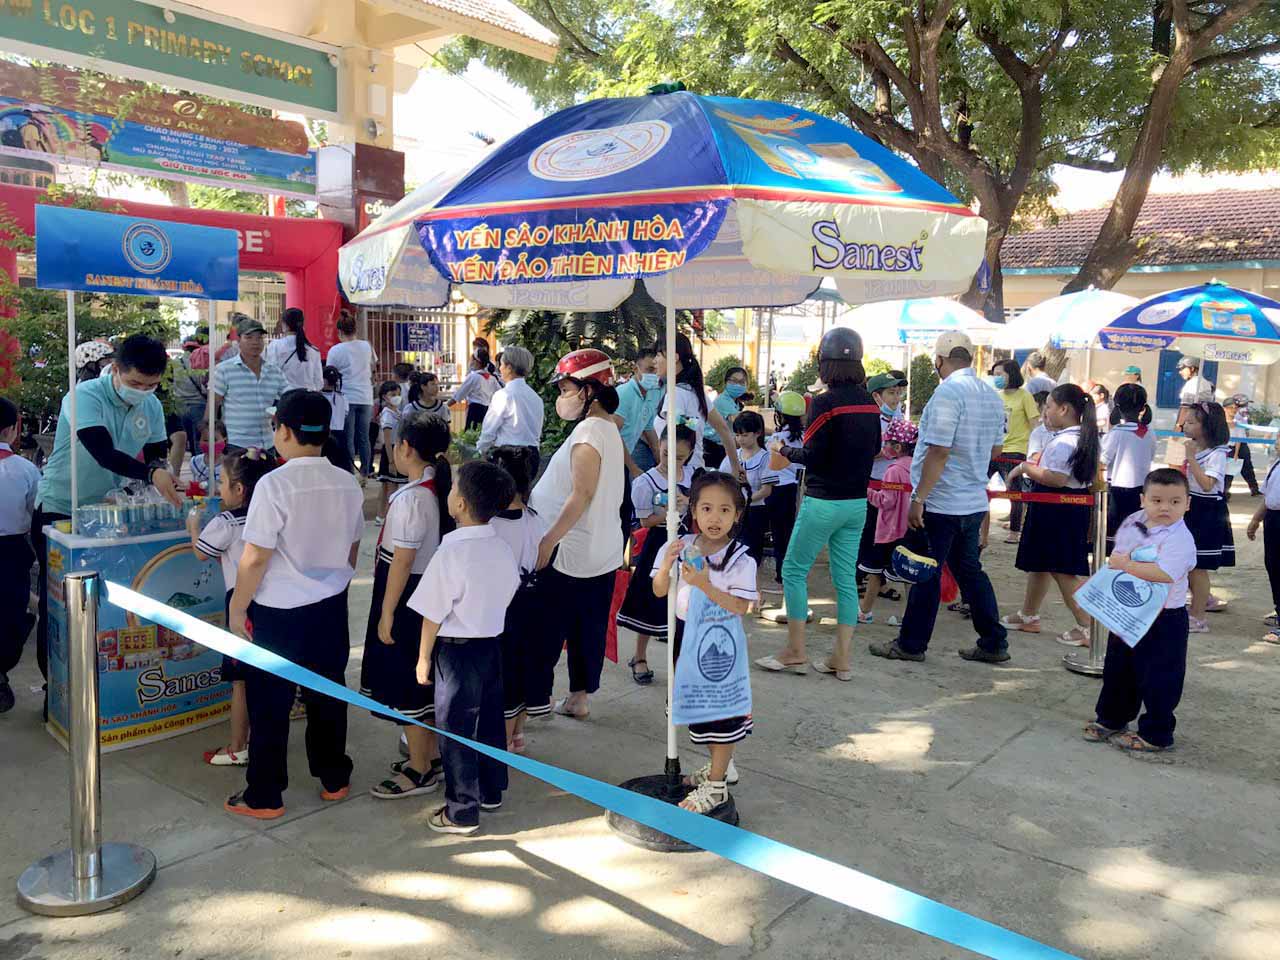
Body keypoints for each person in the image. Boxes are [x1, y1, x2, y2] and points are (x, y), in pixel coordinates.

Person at [224, 390, 365, 819]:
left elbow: (255, 556)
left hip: (278, 612)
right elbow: (353, 547)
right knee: (328, 693)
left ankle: (265, 795)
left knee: (270, 703)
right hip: (330, 606)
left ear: (284, 430)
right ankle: (334, 777)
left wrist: (237, 608)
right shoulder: (347, 481)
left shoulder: (274, 484)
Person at [34, 334, 182, 701]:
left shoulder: (151, 405)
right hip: (61, 508)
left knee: (108, 601)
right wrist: (152, 474)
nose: (142, 391)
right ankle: (57, 690)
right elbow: (103, 452)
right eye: (135, 383)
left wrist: (162, 472)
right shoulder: (84, 396)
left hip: (109, 512)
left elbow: (156, 453)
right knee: (62, 603)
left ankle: (104, 683)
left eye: (150, 385)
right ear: (115, 369)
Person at [868, 332, 1009, 665]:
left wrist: (919, 498)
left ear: (939, 360)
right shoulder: (990, 395)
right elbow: (996, 450)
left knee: (924, 570)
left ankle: (911, 644)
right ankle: (993, 641)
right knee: (970, 572)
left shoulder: (947, 393)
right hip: (972, 500)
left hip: (942, 501)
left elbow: (939, 451)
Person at [759, 327, 879, 677]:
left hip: (823, 502)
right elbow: (874, 448)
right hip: (856, 504)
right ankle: (841, 659)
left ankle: (795, 651)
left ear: (824, 363)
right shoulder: (869, 403)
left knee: (794, 570)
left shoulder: (825, 403)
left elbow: (811, 455)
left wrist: (782, 449)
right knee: (845, 580)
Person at [410, 460, 520, 835]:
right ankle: (491, 790)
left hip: (456, 654)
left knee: (455, 730)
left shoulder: (451, 553)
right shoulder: (501, 547)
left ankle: (461, 811)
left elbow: (432, 613)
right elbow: (509, 590)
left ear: (460, 504)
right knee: (489, 721)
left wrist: (423, 658)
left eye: (455, 487)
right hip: (490, 647)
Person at [528, 349, 626, 721]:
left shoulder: (588, 432)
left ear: (590, 390)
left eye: (567, 389)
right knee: (588, 628)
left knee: (546, 628)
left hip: (570, 551)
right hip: (600, 549)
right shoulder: (608, 428)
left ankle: (535, 699)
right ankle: (578, 698)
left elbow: (581, 493)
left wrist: (548, 539)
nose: (562, 397)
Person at [653, 472, 758, 813]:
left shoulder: (741, 559)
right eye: (707, 508)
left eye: (725, 510)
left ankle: (716, 787)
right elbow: (659, 591)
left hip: (720, 644)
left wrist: (703, 584)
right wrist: (666, 565)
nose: (715, 518)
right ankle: (718, 768)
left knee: (720, 713)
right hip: (685, 636)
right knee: (695, 708)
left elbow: (740, 606)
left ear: (737, 515)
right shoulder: (679, 546)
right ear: (694, 510)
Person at [360, 415, 452, 799]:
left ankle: (419, 769)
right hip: (423, 593)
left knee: (407, 681)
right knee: (420, 679)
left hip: (407, 596)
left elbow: (402, 560)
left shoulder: (413, 498)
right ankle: (430, 756)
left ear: (406, 448)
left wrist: (387, 612)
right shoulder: (434, 488)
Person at [1086, 468, 1196, 755]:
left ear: (1187, 503)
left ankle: (1157, 734)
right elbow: (1120, 551)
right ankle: (1111, 719)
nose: (1165, 508)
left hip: (1164, 618)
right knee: (1119, 669)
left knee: (1160, 677)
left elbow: (1165, 573)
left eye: (1175, 501)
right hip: (1129, 610)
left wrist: (1125, 565)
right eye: (1157, 500)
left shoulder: (1180, 538)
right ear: (1142, 499)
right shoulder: (1135, 520)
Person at [188, 446, 277, 766]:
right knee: (267, 677)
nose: (220, 489)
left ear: (239, 489)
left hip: (240, 605)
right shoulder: (272, 516)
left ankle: (238, 746)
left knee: (241, 680)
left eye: (223, 482)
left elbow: (201, 552)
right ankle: (263, 741)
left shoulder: (225, 522)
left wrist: (193, 526)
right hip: (272, 603)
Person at [1002, 384, 1100, 647]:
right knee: (1040, 563)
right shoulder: (1078, 436)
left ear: (1064, 409)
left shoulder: (1066, 441)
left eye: (1048, 406)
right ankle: (1029, 614)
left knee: (1062, 569)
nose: (1045, 411)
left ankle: (1087, 625)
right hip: (1056, 508)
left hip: (1059, 509)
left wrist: (1025, 468)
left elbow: (1057, 478)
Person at [616, 424, 696, 685]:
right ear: (658, 446)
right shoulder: (646, 481)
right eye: (666, 453)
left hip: (687, 544)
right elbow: (644, 522)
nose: (672, 461)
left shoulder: (694, 475)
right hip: (658, 543)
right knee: (649, 601)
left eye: (680, 457)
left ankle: (681, 661)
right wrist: (670, 511)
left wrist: (691, 504)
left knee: (684, 601)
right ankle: (639, 656)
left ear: (690, 454)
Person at [487, 445, 544, 752]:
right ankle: (518, 734)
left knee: (505, 677)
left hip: (503, 610)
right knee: (522, 672)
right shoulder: (534, 518)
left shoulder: (491, 524)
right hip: (531, 605)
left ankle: (503, 741)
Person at [653, 333, 742, 478]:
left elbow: (677, 433)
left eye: (658, 355)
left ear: (674, 357)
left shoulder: (676, 394)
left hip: (679, 476)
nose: (654, 361)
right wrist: (735, 466)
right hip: (694, 472)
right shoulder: (696, 393)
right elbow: (723, 429)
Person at [0, 396, 40, 714]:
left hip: (13, 551)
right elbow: (35, 511)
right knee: (9, 615)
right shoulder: (26, 470)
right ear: (13, 430)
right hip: (11, 552)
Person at [857, 419, 918, 627]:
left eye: (888, 443)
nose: (885, 447)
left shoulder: (893, 470)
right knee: (909, 576)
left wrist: (867, 492)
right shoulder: (918, 467)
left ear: (898, 447)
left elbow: (886, 501)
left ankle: (865, 612)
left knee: (875, 573)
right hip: (910, 529)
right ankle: (911, 617)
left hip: (889, 530)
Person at [1182, 401, 1233, 633]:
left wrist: (1191, 458)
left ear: (1208, 426)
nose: (1185, 425)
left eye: (1191, 422)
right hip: (1193, 508)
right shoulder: (1198, 449)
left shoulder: (1217, 453)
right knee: (1189, 563)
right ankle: (1201, 601)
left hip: (1207, 512)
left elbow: (1206, 484)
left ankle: (1198, 616)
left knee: (1199, 566)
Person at [856, 372, 906, 597]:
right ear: (876, 396)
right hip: (872, 484)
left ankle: (879, 581)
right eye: (891, 393)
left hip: (892, 483)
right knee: (869, 534)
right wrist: (885, 451)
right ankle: (859, 577)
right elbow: (862, 452)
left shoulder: (897, 417)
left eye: (898, 393)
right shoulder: (869, 420)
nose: (896, 398)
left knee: (886, 534)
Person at [211, 316, 289, 452]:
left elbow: (289, 397)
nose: (255, 342)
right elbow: (212, 408)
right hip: (236, 445)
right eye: (249, 337)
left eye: (259, 338)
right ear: (238, 340)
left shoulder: (274, 371)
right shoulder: (224, 370)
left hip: (268, 444)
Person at [988, 359, 1040, 545]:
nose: (996, 378)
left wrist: (1035, 451)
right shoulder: (995, 396)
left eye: (1000, 374)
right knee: (979, 488)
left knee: (1014, 492)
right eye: (994, 374)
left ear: (1011, 374)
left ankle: (1014, 531)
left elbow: (1034, 424)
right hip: (994, 449)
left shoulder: (1024, 396)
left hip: (1015, 451)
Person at [1103, 383, 1157, 553]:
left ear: (1117, 407)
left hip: (1117, 489)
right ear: (1143, 407)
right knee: (1136, 530)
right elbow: (1151, 455)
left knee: (1115, 532)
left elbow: (1103, 460)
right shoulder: (1149, 432)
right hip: (1142, 488)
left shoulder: (1116, 433)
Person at [327, 311, 378, 478]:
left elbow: (330, 373)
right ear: (356, 329)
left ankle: (349, 472)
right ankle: (366, 471)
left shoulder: (335, 350)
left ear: (339, 332)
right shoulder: (366, 346)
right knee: (364, 437)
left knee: (347, 438)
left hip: (346, 397)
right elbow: (373, 367)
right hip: (365, 396)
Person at [720, 410, 776, 563]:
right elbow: (722, 480)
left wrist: (745, 500)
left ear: (757, 433)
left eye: (744, 435)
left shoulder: (765, 458)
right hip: (733, 510)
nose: (740, 439)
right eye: (737, 435)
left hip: (755, 511)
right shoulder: (733, 456)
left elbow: (766, 490)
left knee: (751, 553)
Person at [476, 346, 544, 468]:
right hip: (532, 456)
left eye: (501, 364)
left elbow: (489, 430)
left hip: (509, 457)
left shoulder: (504, 395)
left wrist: (481, 450)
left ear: (509, 368)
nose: (499, 368)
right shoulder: (536, 398)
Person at [766, 391, 805, 584]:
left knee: (779, 534)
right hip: (798, 489)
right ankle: (792, 571)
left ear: (780, 415)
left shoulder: (776, 438)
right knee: (793, 533)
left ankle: (781, 572)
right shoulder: (805, 437)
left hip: (778, 489)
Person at [1247, 443, 1280, 645]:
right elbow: (1268, 497)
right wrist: (1256, 520)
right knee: (1273, 565)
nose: (1277, 443)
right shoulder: (1276, 464)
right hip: (1273, 519)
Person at [614, 347, 663, 477]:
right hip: (610, 459)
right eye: (650, 370)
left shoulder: (652, 394)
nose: (654, 375)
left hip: (623, 460)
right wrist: (633, 468)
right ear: (636, 369)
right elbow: (614, 434)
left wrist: (664, 466)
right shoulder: (624, 393)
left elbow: (649, 431)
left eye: (657, 370)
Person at [265, 308, 322, 392]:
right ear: (302, 324)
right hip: (307, 397)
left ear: (285, 325)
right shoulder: (313, 350)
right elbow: (319, 383)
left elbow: (269, 375)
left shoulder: (274, 346)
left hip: (284, 396)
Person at [705, 366, 749, 469]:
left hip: (723, 445)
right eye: (734, 381)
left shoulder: (735, 402)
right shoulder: (723, 401)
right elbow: (742, 422)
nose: (738, 385)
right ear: (726, 382)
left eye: (742, 382)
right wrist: (771, 431)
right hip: (712, 449)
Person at [375, 380, 405, 525]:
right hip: (391, 451)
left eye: (398, 394)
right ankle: (387, 516)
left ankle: (382, 515)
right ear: (384, 397)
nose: (396, 397)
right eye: (393, 394)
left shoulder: (397, 412)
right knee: (390, 487)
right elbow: (387, 440)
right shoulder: (387, 414)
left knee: (387, 486)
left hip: (396, 449)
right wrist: (391, 461)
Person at [173, 338, 208, 452]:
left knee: (188, 440)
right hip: (199, 405)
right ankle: (198, 462)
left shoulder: (175, 362)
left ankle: (193, 460)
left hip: (180, 405)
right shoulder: (200, 361)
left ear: (184, 348)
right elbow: (204, 386)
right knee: (199, 440)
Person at [452, 348, 501, 431]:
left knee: (472, 435)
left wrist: (443, 406)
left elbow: (458, 395)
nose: (470, 361)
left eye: (472, 359)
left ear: (477, 362)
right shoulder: (492, 378)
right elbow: (500, 394)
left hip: (475, 411)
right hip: (488, 412)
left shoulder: (473, 377)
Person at [1222, 394, 1260, 497]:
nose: (1234, 409)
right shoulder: (1221, 421)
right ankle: (1224, 492)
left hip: (1240, 444)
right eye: (1231, 407)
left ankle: (1254, 489)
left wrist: (1236, 453)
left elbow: (1239, 436)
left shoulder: (1239, 418)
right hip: (1226, 447)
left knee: (1247, 467)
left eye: (1236, 407)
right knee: (1227, 472)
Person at [188, 420, 227, 497]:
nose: (210, 444)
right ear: (199, 441)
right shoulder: (195, 462)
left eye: (215, 440)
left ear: (224, 439)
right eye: (206, 440)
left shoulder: (230, 464)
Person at [1175, 357, 1215, 430]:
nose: (1180, 372)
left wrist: (1179, 426)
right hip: (1203, 425)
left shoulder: (1194, 383)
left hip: (1192, 426)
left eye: (1182, 368)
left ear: (1192, 368)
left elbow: (1185, 408)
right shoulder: (1205, 383)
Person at [321, 365, 348, 436]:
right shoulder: (343, 397)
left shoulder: (318, 397)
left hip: (323, 431)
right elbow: (346, 413)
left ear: (325, 380)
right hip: (339, 431)